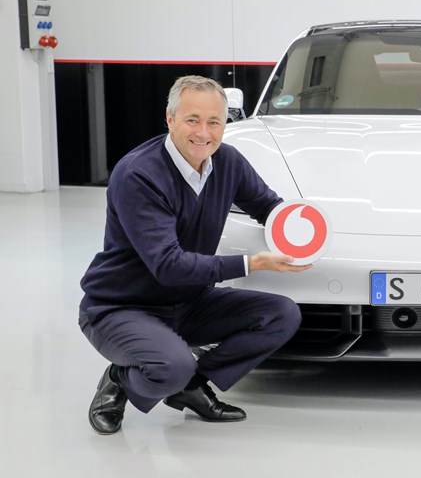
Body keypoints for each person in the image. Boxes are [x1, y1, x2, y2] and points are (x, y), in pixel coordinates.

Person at [80, 76, 311, 435]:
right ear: (170, 119)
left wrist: (309, 233)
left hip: (188, 301)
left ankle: (189, 387)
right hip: (122, 305)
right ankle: (120, 380)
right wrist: (251, 263)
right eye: (192, 119)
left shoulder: (228, 162)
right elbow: (168, 266)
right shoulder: (138, 174)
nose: (204, 132)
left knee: (281, 314)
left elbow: (269, 207)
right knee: (171, 366)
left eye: (214, 122)